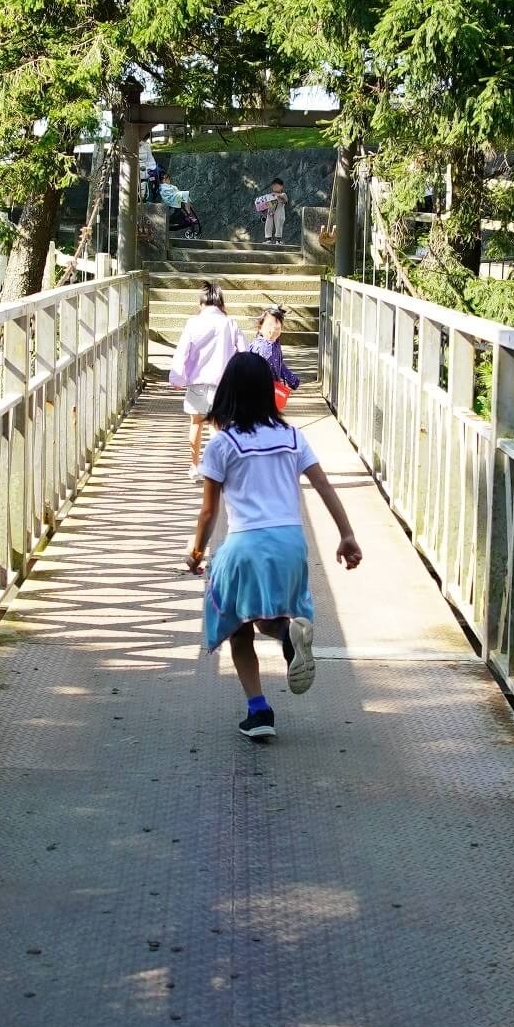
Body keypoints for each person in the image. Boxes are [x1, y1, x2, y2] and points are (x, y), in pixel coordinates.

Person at [185, 352, 362, 740]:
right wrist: (346, 534)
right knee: (269, 615)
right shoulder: (294, 436)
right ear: (269, 392)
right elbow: (324, 486)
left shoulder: (222, 445)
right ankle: (286, 634)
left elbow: (208, 512)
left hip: (245, 545)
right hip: (291, 544)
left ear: (227, 392)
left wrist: (197, 552)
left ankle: (258, 710)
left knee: (237, 625)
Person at [167, 281, 242, 482]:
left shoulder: (193, 323)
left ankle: (194, 466)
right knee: (217, 428)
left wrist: (177, 378)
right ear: (221, 304)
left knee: (196, 425)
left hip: (197, 385)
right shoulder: (230, 323)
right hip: (223, 386)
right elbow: (244, 352)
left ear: (202, 304)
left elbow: (182, 352)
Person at [249, 306, 301, 392]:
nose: (273, 330)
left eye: (277, 328)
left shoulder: (275, 343)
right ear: (260, 327)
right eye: (269, 325)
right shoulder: (261, 347)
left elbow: (279, 365)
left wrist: (291, 378)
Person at [254, 177, 289, 244]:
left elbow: (285, 201)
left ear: (281, 187)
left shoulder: (283, 194)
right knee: (268, 224)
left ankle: (278, 240)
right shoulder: (269, 195)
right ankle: (268, 239)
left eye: (277, 186)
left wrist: (280, 197)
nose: (274, 187)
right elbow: (264, 204)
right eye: (273, 186)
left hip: (279, 212)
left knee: (278, 224)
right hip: (270, 212)